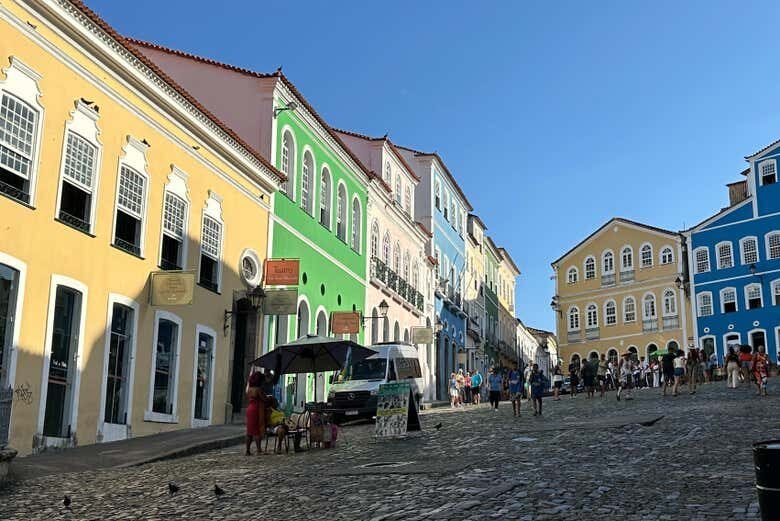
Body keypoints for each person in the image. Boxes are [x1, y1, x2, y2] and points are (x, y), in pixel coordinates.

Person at [245, 370, 267, 456]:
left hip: (249, 409)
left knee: (249, 431)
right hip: (256, 410)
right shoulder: (258, 389)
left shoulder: (249, 389)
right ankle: (259, 449)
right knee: (256, 431)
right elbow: (264, 399)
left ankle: (247, 450)